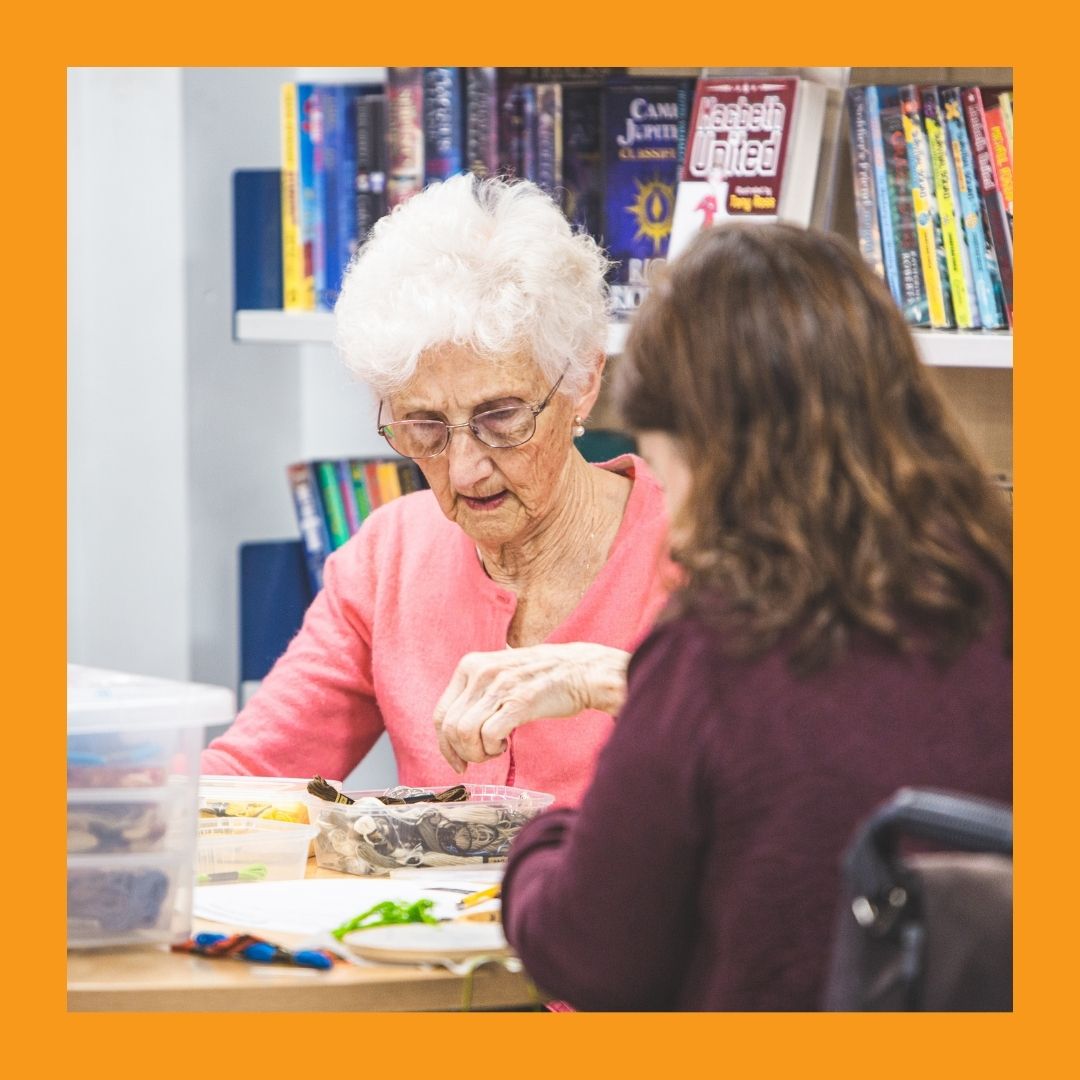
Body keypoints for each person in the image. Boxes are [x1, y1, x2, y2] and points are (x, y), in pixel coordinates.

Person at [500, 222, 1012, 1010]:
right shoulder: (1006, 586)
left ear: (706, 448)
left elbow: (592, 957)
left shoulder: (719, 646)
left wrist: (539, 839)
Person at [201, 175, 671, 806]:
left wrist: (615, 681)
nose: (465, 468)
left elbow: (787, 767)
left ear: (582, 380)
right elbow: (249, 775)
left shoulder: (697, 552)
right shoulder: (390, 555)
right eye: (424, 427)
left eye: (501, 417)